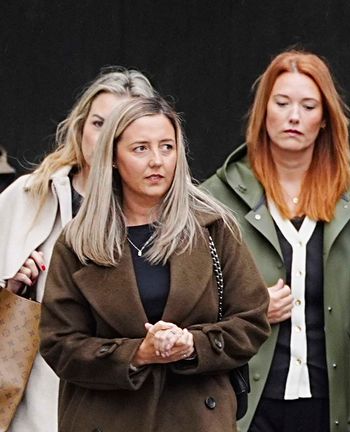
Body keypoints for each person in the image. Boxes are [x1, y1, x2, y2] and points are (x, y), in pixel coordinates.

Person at [202, 50, 350, 432]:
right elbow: (187, 302)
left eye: (308, 105)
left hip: (332, 402)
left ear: (325, 120)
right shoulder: (218, 197)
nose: (294, 117)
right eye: (281, 103)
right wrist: (246, 311)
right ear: (263, 112)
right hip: (245, 402)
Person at [39, 96, 271, 431]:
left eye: (167, 147)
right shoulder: (80, 242)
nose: (157, 161)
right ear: (114, 158)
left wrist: (193, 344)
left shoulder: (212, 228)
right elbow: (59, 343)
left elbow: (252, 319)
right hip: (107, 417)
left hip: (195, 417)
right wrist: (137, 354)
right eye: (141, 149)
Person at [0, 68, 156, 431]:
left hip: (130, 403)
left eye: (119, 127)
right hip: (40, 405)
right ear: (80, 126)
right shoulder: (28, 197)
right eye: (98, 123)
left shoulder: (160, 212)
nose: (102, 138)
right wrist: (10, 289)